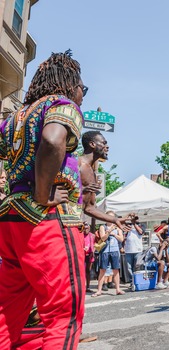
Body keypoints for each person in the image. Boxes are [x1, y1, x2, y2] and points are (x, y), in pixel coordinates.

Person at [0, 51, 88, 348]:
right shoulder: (62, 106)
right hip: (48, 221)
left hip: (11, 221)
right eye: (82, 89)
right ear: (69, 85)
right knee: (64, 314)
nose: (83, 95)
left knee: (7, 310)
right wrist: (42, 193)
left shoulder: (15, 117)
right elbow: (52, 139)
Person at [92, 212, 126, 297]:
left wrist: (114, 234)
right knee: (102, 270)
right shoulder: (102, 227)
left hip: (115, 250)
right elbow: (103, 238)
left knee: (116, 270)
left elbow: (121, 239)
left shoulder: (117, 228)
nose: (110, 219)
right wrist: (109, 232)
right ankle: (99, 290)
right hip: (105, 251)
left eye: (112, 217)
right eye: (109, 217)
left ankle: (118, 289)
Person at [123, 213, 143, 291]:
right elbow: (122, 223)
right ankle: (132, 281)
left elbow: (141, 232)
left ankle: (137, 281)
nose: (134, 219)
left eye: (135, 218)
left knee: (137, 267)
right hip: (128, 250)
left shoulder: (141, 225)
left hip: (138, 249)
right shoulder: (128, 225)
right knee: (129, 268)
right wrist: (128, 216)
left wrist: (134, 224)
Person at [83, 222, 96, 293]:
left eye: (87, 227)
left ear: (89, 227)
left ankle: (87, 287)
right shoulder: (80, 235)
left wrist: (93, 251)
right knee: (82, 271)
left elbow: (95, 244)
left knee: (88, 271)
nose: (86, 229)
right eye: (84, 227)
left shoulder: (92, 236)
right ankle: (82, 286)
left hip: (90, 255)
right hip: (82, 255)